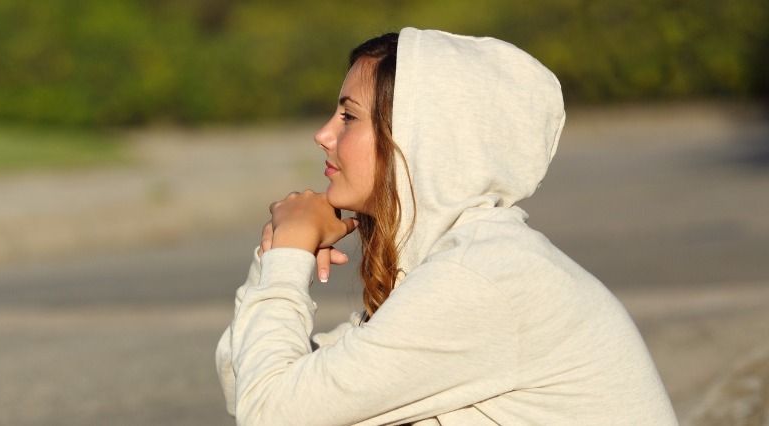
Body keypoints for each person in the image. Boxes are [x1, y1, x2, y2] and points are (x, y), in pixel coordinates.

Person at [215, 28, 677, 425]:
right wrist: (272, 259)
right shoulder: (457, 263)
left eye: (349, 116)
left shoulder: (481, 278)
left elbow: (269, 412)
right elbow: (248, 382)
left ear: (422, 138)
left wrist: (288, 258)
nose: (324, 135)